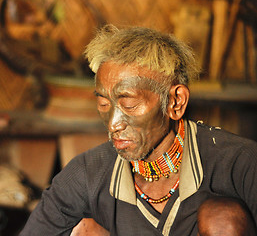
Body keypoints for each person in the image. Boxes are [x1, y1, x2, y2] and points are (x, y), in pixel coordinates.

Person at [19, 25, 257, 235]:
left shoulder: (240, 162)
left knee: (222, 218)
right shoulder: (88, 173)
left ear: (176, 102)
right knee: (85, 229)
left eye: (129, 105)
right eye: (103, 103)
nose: (113, 124)